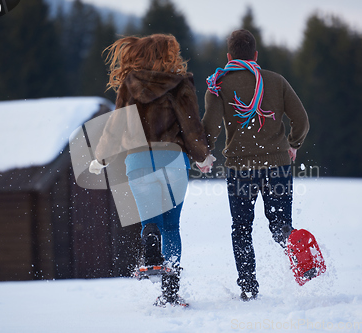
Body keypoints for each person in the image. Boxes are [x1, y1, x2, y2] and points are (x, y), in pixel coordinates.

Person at [89, 34, 213, 307]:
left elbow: (115, 126)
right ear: (169, 55)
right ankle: (170, 292)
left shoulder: (128, 84)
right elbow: (191, 126)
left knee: (150, 221)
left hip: (138, 161)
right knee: (172, 227)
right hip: (172, 161)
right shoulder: (181, 84)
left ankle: (150, 238)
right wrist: (203, 157)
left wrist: (100, 158)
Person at [200, 29, 310, 301]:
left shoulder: (219, 85)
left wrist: (204, 154)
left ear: (228, 56)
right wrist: (293, 144)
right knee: (280, 224)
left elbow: (210, 128)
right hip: (278, 166)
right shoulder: (275, 81)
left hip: (240, 169)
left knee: (241, 227)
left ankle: (248, 287)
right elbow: (301, 120)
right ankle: (302, 258)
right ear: (256, 55)